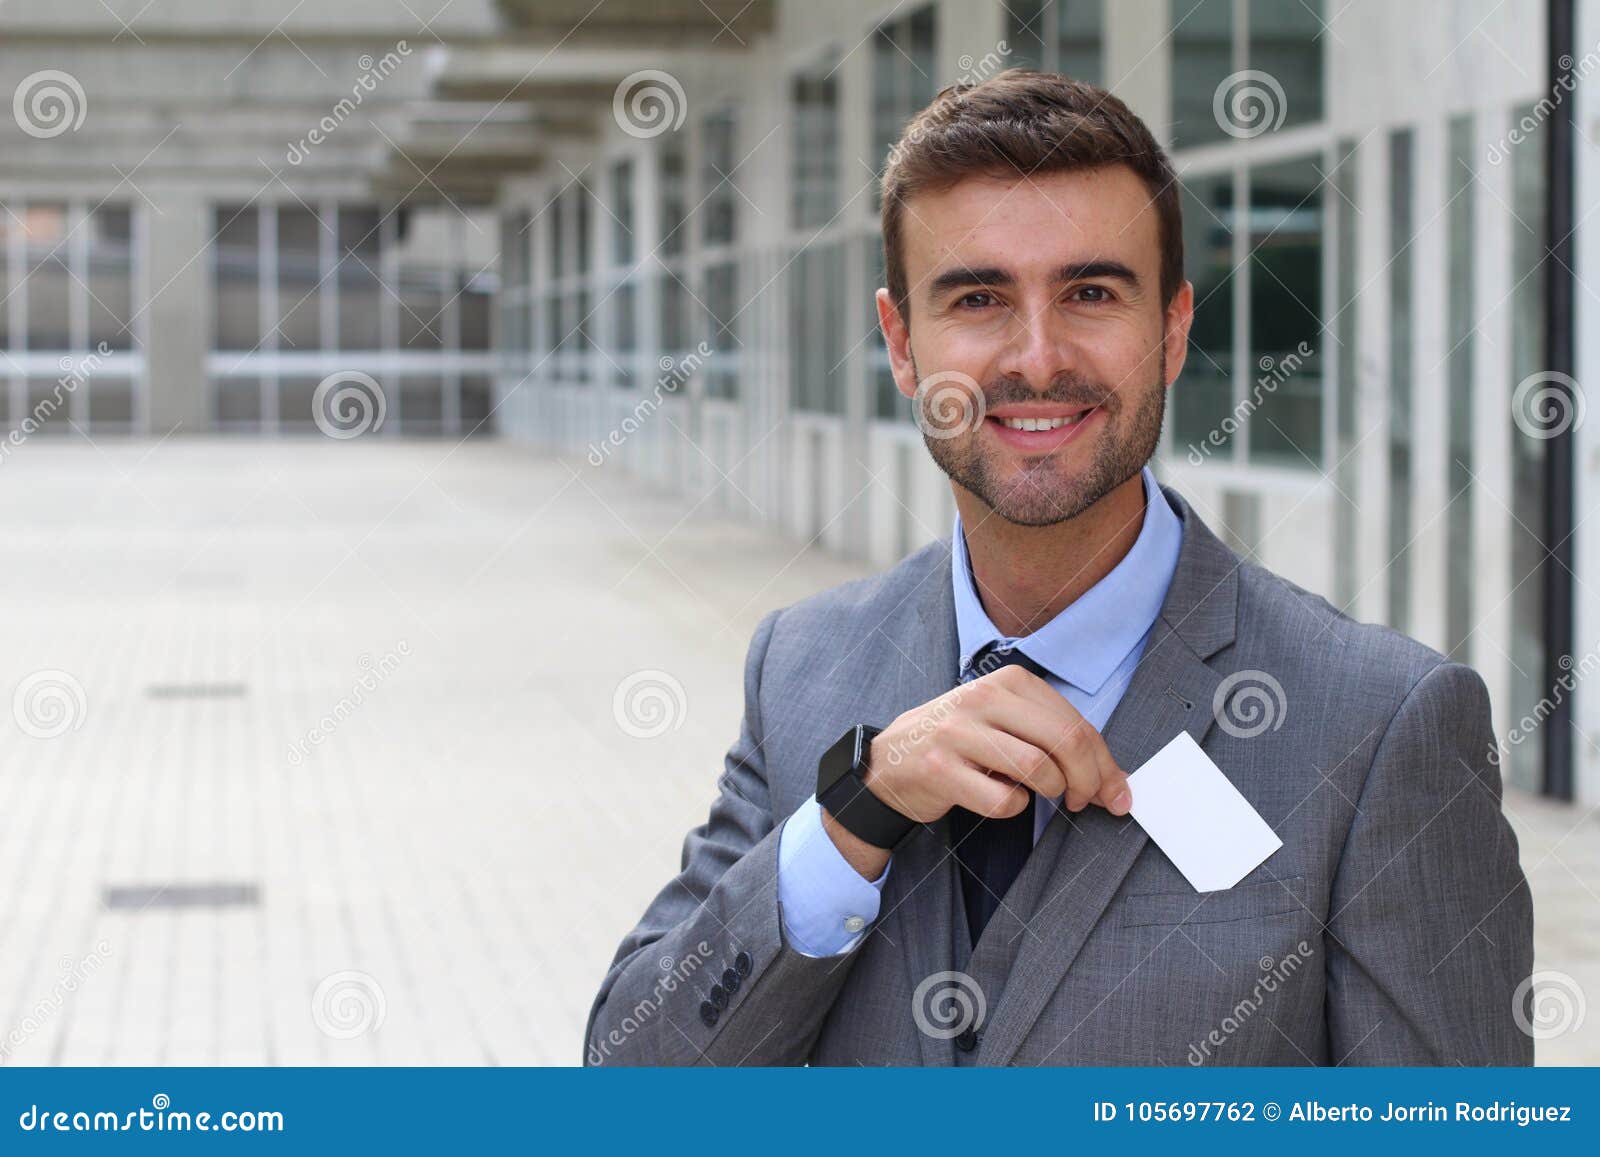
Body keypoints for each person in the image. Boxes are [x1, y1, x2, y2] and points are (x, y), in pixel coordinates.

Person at [584, 69, 1533, 1066]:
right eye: (978, 297)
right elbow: (630, 1073)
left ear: (1169, 329)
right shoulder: (802, 668)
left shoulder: (1381, 727)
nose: (1036, 358)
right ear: (902, 343)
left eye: (1089, 292)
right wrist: (853, 817)